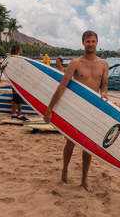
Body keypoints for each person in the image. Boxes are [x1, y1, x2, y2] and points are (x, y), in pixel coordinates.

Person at [43, 30, 109, 193]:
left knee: (88, 145)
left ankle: (84, 180)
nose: (91, 44)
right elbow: (62, 86)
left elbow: (104, 87)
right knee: (71, 141)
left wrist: (104, 95)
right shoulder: (75, 63)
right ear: (83, 43)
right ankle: (65, 170)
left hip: (93, 109)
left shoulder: (104, 64)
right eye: (88, 41)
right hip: (76, 108)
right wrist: (49, 109)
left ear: (97, 43)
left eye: (93, 41)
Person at [9, 44, 29, 121]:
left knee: (14, 97)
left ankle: (14, 114)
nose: (22, 50)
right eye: (20, 49)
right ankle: (20, 115)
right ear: (17, 50)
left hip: (12, 80)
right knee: (18, 97)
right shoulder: (18, 59)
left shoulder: (11, 58)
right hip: (17, 80)